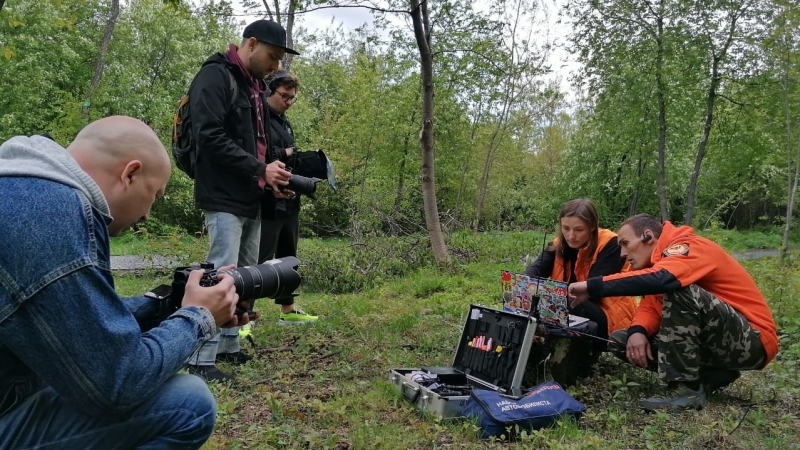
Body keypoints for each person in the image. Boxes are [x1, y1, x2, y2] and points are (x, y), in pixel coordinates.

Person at [0, 116, 252, 449]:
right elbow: (117, 384)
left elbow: (79, 331)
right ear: (130, 173)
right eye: (155, 195)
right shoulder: (50, 219)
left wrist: (169, 306)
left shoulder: (25, 192)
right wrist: (197, 318)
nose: (147, 214)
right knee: (188, 404)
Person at [568, 214, 779, 411]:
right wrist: (637, 331)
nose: (623, 254)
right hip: (722, 342)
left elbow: (664, 280)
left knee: (679, 288)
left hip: (753, 340)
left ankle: (685, 388)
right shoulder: (659, 263)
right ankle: (712, 375)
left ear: (647, 237)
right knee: (620, 340)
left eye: (625, 244)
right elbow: (651, 305)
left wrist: (592, 286)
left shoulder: (688, 247)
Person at [186, 19, 300, 381]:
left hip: (250, 194)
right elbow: (209, 137)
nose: (275, 66)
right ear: (251, 44)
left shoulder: (253, 87)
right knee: (221, 274)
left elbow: (258, 147)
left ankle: (229, 346)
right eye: (273, 56)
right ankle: (201, 359)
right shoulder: (216, 76)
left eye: (280, 59)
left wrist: (269, 179)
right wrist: (260, 169)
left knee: (247, 277)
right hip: (222, 195)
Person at [525, 198, 637, 377]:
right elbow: (535, 270)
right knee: (531, 295)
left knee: (569, 300)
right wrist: (525, 288)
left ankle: (579, 360)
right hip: (569, 306)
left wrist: (548, 297)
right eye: (566, 228)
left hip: (607, 315)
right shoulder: (559, 243)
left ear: (592, 227)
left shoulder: (610, 244)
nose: (571, 236)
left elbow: (592, 290)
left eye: (578, 230)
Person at [258, 70, 318, 325]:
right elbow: (259, 155)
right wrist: (285, 151)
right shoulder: (258, 117)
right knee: (257, 258)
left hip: (289, 199)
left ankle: (288, 309)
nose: (288, 101)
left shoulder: (284, 121)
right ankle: (242, 315)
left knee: (288, 255)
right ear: (269, 91)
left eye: (292, 98)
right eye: (284, 96)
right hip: (265, 199)